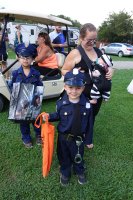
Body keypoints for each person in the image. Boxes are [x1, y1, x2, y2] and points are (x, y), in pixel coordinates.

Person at [62, 23, 113, 148]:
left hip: (98, 92)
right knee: (79, 115)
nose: (92, 43)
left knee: (92, 115)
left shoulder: (98, 51)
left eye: (94, 40)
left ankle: (86, 134)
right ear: (81, 38)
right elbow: (63, 70)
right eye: (89, 40)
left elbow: (107, 65)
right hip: (81, 94)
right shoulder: (75, 53)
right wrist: (76, 73)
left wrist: (111, 71)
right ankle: (76, 135)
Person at [43, 68, 93, 186]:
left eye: (78, 88)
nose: (74, 91)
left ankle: (79, 171)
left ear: (83, 88)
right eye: (70, 88)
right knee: (63, 156)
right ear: (65, 87)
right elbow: (58, 116)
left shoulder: (87, 105)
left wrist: (89, 140)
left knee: (78, 156)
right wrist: (49, 116)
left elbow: (90, 124)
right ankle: (65, 172)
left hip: (78, 139)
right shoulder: (61, 103)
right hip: (63, 138)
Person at [9, 43, 43, 148]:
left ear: (33, 58)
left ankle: (38, 135)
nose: (25, 60)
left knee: (36, 120)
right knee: (23, 122)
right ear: (18, 58)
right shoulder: (15, 74)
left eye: (28, 57)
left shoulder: (36, 73)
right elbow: (11, 87)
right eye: (22, 57)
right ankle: (26, 137)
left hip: (33, 102)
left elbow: (39, 87)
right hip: (21, 103)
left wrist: (38, 98)